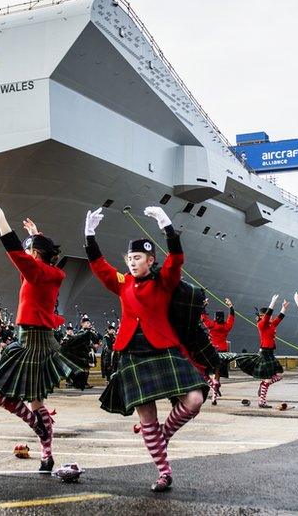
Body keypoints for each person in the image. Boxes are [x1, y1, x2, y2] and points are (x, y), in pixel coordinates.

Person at [85, 206, 206, 493]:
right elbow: (100, 267)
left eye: (137, 258)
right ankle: (164, 472)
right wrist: (89, 235)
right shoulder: (123, 283)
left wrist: (167, 225)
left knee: (194, 400)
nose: (131, 262)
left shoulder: (164, 281)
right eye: (129, 258)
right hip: (131, 352)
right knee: (146, 417)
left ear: (151, 260)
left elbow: (176, 259)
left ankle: (160, 438)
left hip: (164, 348)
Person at [0, 209, 81, 473]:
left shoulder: (38, 271)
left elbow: (14, 251)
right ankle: (46, 454)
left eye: (30, 252)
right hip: (33, 338)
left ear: (35, 256)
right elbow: (30, 257)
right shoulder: (46, 272)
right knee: (36, 402)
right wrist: (36, 235)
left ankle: (36, 427)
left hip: (32, 341)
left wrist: (2, 219)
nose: (25, 256)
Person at [234, 294, 289, 408]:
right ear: (262, 316)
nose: (271, 317)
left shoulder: (270, 325)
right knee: (268, 379)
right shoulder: (261, 324)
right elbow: (268, 315)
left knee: (279, 375)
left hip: (270, 354)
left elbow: (279, 318)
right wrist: (272, 303)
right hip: (264, 353)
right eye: (268, 316)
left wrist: (284, 307)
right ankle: (261, 402)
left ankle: (263, 384)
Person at [200, 298, 234, 405]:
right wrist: (231, 307)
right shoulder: (226, 327)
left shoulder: (212, 325)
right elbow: (231, 319)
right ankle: (214, 397)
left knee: (203, 371)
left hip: (212, 350)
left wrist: (203, 306)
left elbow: (204, 318)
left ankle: (212, 385)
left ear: (215, 317)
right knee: (217, 373)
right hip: (223, 351)